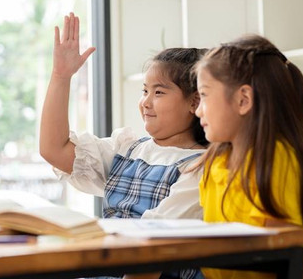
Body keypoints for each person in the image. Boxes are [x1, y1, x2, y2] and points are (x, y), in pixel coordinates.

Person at [40, 12, 208, 221]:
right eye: (145, 91)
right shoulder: (127, 151)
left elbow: (156, 232)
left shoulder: (201, 167)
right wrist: (61, 76)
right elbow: (54, 149)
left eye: (159, 93)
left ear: (194, 102)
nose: (146, 102)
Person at [195, 35, 303, 279]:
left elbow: (289, 260)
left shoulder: (277, 160)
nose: (198, 109)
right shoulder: (215, 163)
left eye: (204, 95)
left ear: (243, 100)